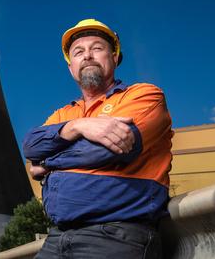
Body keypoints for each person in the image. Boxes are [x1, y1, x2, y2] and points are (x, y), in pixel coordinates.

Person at [22, 18, 173, 259]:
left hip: (116, 236)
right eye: (79, 52)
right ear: (71, 67)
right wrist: (76, 127)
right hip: (58, 238)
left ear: (114, 57)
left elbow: (110, 150)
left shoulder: (143, 95)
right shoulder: (64, 114)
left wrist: (47, 164)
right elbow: (31, 146)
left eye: (97, 48)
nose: (88, 56)